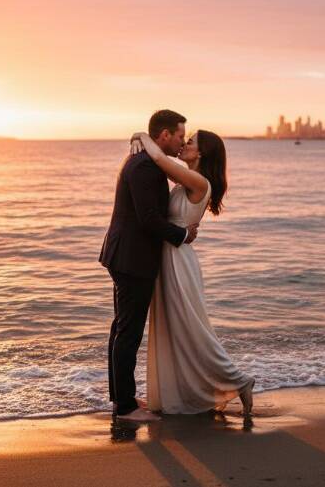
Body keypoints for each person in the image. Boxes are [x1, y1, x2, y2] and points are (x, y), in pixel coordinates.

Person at [131, 128, 255, 416]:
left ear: (201, 153)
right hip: (169, 257)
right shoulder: (186, 180)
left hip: (177, 261)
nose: (185, 144)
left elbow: (161, 161)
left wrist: (141, 135)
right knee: (175, 330)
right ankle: (180, 393)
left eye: (190, 142)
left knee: (191, 329)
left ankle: (239, 381)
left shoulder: (200, 181)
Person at [99, 110, 199, 422]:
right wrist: (183, 235)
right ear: (165, 135)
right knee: (128, 332)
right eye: (180, 136)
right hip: (132, 258)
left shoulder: (147, 160)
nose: (183, 141)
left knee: (121, 329)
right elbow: (149, 219)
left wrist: (139, 135)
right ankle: (125, 407)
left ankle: (122, 398)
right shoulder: (145, 166)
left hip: (126, 255)